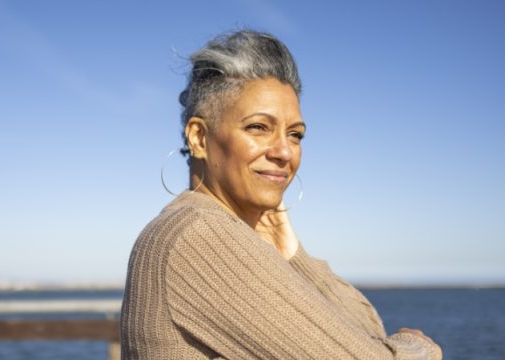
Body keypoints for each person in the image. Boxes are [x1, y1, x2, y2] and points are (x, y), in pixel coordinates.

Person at [120, 30, 442, 359]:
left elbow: (370, 332)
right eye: (258, 127)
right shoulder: (197, 235)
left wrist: (292, 256)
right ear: (199, 137)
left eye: (295, 134)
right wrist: (421, 346)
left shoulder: (201, 229)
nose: (285, 152)